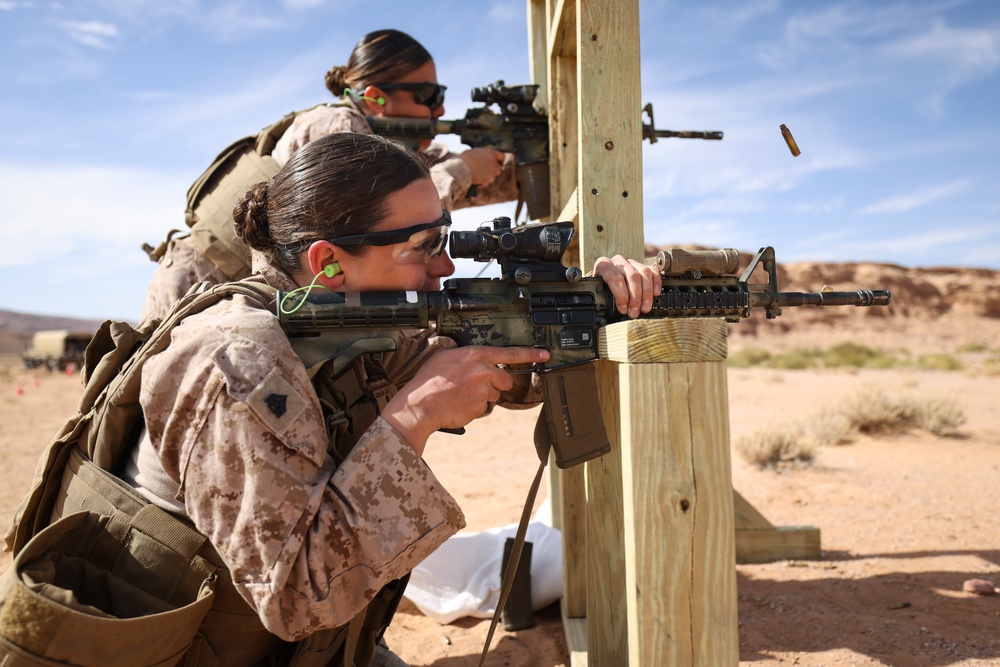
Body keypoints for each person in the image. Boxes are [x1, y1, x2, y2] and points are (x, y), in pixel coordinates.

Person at [116, 132, 660, 666]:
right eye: (422, 247)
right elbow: (295, 599)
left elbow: (500, 364)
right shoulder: (237, 361)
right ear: (328, 261)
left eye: (443, 241)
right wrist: (415, 416)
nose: (445, 267)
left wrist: (592, 301)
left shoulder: (351, 317)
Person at [140, 28, 517, 323]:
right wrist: (461, 169)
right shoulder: (335, 127)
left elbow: (436, 185)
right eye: (429, 96)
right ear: (375, 97)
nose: (440, 109)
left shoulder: (380, 143)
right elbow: (375, 215)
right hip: (200, 281)